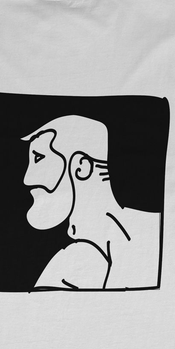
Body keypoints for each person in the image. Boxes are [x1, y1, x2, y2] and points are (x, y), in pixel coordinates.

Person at [22, 115, 161, 290]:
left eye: (38, 159)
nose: (27, 179)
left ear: (81, 167)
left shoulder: (72, 263)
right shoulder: (80, 259)